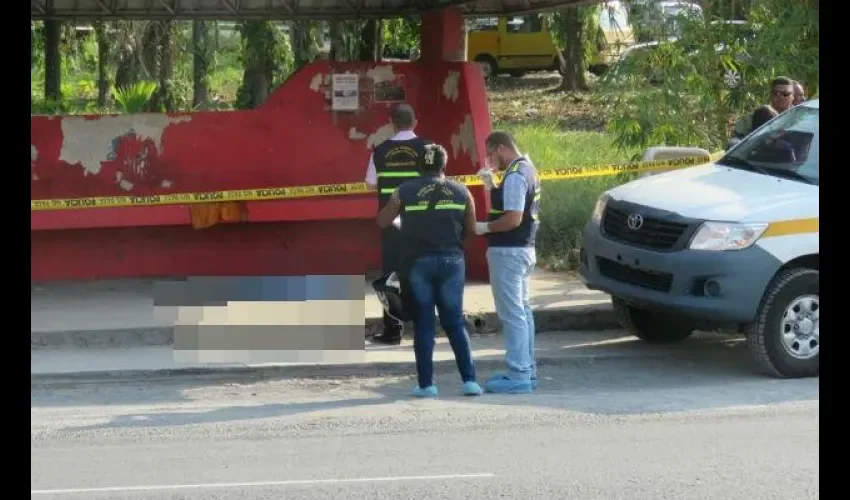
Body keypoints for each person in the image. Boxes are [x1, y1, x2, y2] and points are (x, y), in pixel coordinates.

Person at [377, 144, 482, 398]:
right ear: (443, 165)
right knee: (455, 323)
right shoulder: (462, 191)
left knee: (424, 325)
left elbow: (382, 221)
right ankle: (470, 382)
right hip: (452, 262)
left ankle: (426, 385)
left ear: (419, 166)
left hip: (418, 264)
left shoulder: (403, 191)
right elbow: (471, 228)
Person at [473, 131, 541, 394]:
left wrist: (482, 228)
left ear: (500, 148)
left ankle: (519, 374)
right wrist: (491, 186)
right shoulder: (528, 169)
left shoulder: (515, 175)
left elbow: (512, 219)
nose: (490, 160)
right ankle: (527, 369)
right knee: (522, 311)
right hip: (522, 249)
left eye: (490, 154)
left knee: (512, 314)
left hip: (509, 251)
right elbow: (510, 207)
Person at [365, 104, 433, 345]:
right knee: (423, 274)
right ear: (415, 122)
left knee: (390, 276)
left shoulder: (380, 150)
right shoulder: (429, 149)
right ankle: (424, 329)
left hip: (391, 222)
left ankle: (393, 330)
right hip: (422, 223)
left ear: (392, 123)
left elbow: (370, 184)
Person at [731, 76, 795, 143]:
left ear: (793, 96)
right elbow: (735, 138)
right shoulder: (757, 115)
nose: (781, 97)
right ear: (771, 95)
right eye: (777, 93)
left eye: (785, 94)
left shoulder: (800, 116)